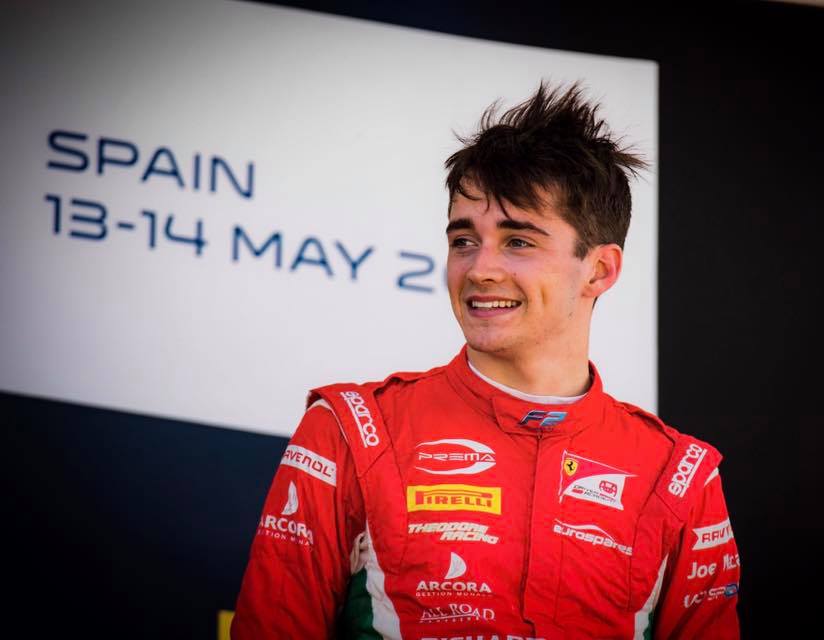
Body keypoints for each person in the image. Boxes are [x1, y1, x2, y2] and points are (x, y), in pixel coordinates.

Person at [231, 83, 741, 639]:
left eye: (518, 242)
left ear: (599, 270)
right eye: (463, 241)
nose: (479, 269)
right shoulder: (350, 432)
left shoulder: (680, 478)